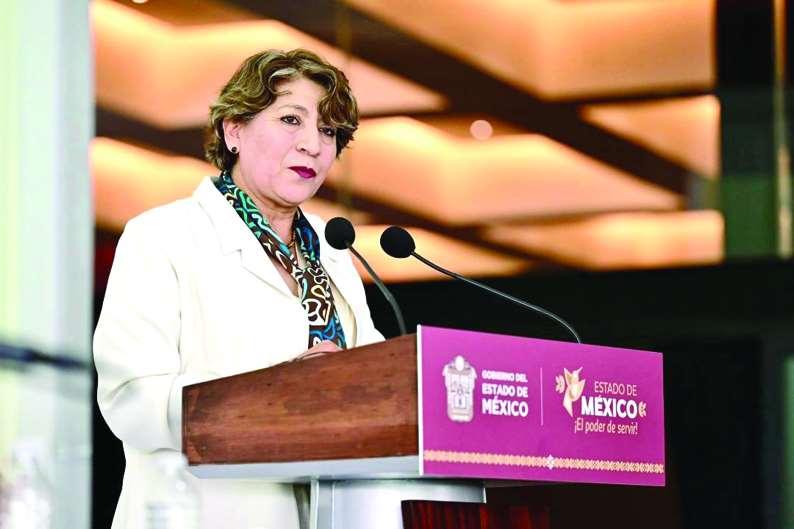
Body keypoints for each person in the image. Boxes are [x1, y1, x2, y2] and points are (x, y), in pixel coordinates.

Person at [94, 48, 384, 529]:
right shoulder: (163, 236)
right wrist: (275, 394)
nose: (313, 144)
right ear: (234, 130)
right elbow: (130, 400)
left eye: (329, 130)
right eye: (291, 119)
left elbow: (381, 386)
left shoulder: (334, 252)